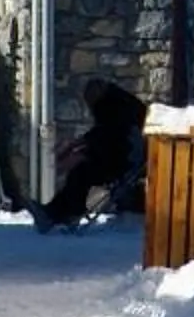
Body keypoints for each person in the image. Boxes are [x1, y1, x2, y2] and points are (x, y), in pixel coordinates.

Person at [31, 78, 146, 230]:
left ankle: (61, 213)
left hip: (126, 164)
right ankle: (56, 212)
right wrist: (80, 147)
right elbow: (103, 136)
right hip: (123, 159)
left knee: (82, 174)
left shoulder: (117, 110)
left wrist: (83, 152)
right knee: (80, 173)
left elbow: (110, 141)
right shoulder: (119, 106)